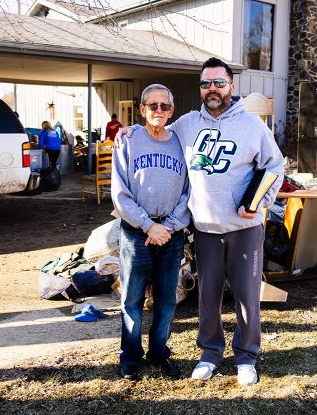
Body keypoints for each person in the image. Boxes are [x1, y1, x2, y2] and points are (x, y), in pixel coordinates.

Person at [117, 57, 284, 385]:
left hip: (244, 229)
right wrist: (131, 130)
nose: (212, 89)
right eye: (206, 84)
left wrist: (261, 201)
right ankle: (209, 353)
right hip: (206, 229)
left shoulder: (252, 126)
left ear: (231, 87)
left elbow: (275, 166)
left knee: (246, 296)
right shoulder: (188, 124)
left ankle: (246, 357)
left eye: (219, 83)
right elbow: (157, 128)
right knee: (207, 296)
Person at [111, 84, 190, 381]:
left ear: (172, 111)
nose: (159, 111)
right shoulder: (128, 141)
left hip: (170, 235)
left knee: (167, 300)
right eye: (152, 106)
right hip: (136, 233)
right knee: (131, 300)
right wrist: (148, 225)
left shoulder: (181, 144)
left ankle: (159, 353)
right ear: (142, 110)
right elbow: (120, 193)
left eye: (164, 106)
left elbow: (188, 192)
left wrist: (167, 227)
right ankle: (130, 357)